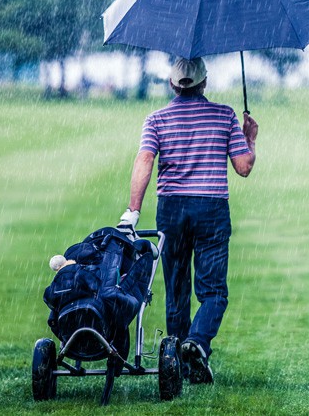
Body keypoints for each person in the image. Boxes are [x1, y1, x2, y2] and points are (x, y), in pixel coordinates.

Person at [118, 56, 257, 384]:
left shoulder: (156, 119)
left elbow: (145, 160)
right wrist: (249, 137)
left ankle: (177, 358)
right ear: (204, 83)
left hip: (172, 210)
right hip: (211, 209)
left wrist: (133, 210)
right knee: (213, 292)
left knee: (176, 288)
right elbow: (244, 167)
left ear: (171, 84)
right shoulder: (224, 115)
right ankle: (197, 342)